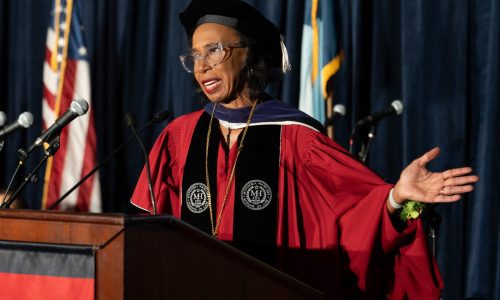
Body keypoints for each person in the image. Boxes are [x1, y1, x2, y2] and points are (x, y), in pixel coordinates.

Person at [131, 0, 479, 298]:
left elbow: (351, 214)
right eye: (194, 56)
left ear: (247, 53)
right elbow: (151, 237)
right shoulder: (179, 136)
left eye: (214, 51)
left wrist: (395, 198)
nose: (202, 65)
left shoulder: (296, 138)